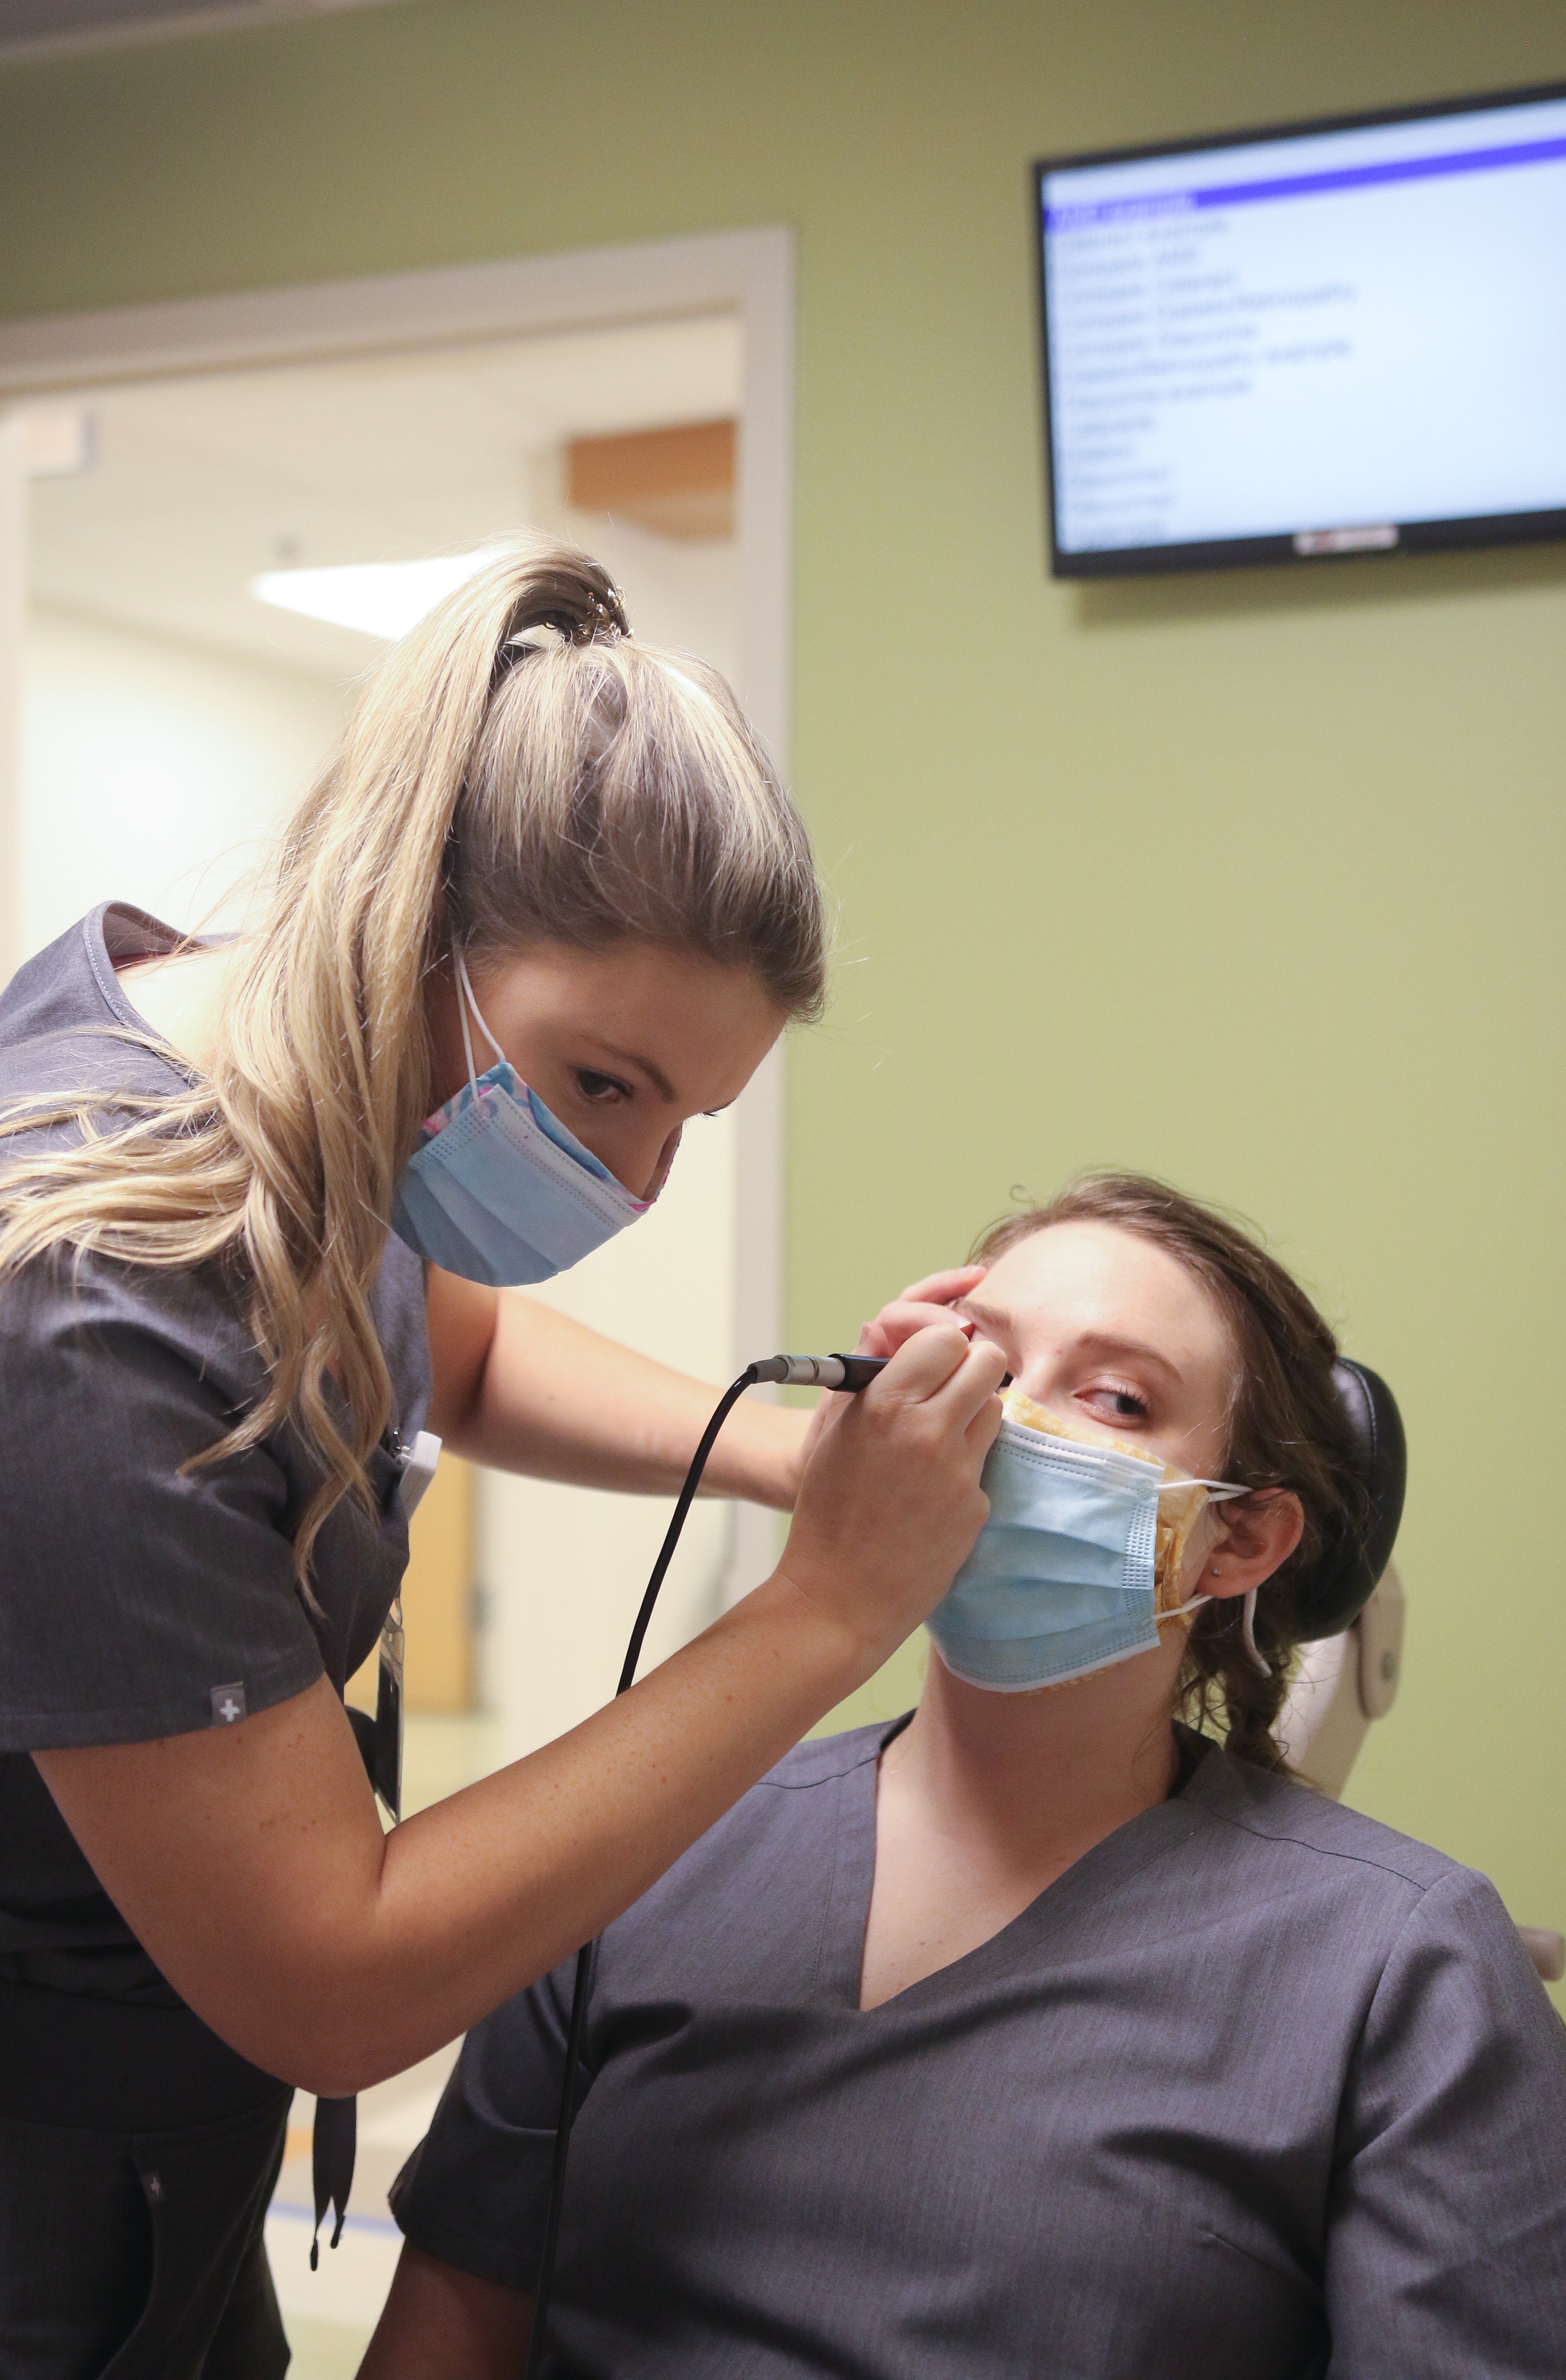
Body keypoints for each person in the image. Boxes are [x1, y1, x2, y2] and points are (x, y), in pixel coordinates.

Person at [0, 537, 1006, 2379]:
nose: (630, 1186)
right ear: (411, 925)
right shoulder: (87, 1306)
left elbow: (444, 1340)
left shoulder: (298, 1075)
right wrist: (822, 1613)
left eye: (690, 1119)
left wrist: (785, 1462)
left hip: (166, 2177)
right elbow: (332, 1982)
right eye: (603, 1086)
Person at [363, 1173, 1566, 2380]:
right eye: (982, 1363)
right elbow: (447, 2336)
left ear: (1242, 1538)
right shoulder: (637, 1855)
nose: (1006, 1423)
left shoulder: (1402, 1972)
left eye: (1113, 1397)